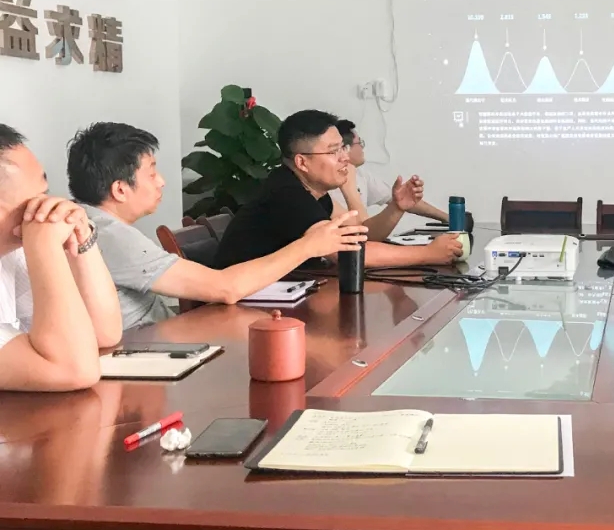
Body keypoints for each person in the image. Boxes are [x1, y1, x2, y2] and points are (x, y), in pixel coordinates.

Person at [67, 123, 368, 330]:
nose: (162, 182)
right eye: (151, 174)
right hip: (145, 360)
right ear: (120, 189)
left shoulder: (97, 224)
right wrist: (308, 245)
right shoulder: (106, 234)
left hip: (164, 339)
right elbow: (225, 288)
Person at [215, 110, 463, 269]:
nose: (345, 158)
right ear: (302, 162)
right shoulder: (286, 193)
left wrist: (396, 208)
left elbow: (360, 238)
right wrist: (427, 254)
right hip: (239, 308)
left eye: (343, 148)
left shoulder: (315, 193)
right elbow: (345, 254)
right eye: (334, 151)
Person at [0, 125, 122, 391]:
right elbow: (76, 370)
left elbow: (104, 333)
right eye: (37, 199)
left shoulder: (10, 255)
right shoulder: (27, 241)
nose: (48, 206)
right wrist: (44, 244)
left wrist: (82, 236)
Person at [330, 120, 449, 241]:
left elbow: (400, 199)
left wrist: (447, 218)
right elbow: (363, 236)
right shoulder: (326, 187)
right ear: (344, 148)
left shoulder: (361, 175)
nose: (362, 147)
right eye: (359, 143)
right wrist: (350, 189)